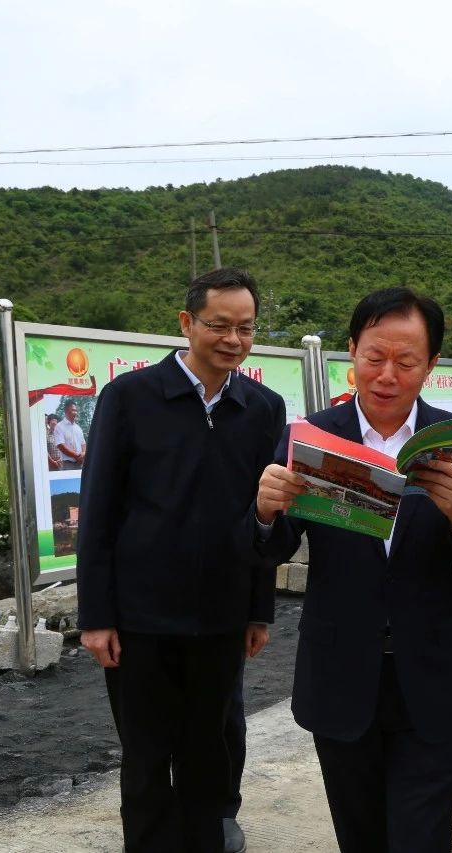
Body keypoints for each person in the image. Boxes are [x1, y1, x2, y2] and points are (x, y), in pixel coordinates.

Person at [253, 287, 452, 852]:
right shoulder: (310, 438)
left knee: (422, 839)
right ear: (352, 351)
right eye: (374, 357)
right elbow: (269, 551)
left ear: (432, 365)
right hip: (340, 674)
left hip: (430, 678)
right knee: (359, 836)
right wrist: (264, 512)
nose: (387, 375)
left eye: (406, 362)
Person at [77, 267, 286, 853]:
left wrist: (259, 610)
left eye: (245, 328)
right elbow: (98, 511)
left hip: (221, 616)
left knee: (208, 754)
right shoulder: (130, 397)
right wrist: (96, 617)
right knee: (145, 758)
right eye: (219, 325)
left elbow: (266, 515)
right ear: (186, 323)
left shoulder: (262, 408)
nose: (233, 340)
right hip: (139, 618)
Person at [53, 401, 86, 470]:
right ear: (66, 411)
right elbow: (61, 446)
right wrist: (77, 456)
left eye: (76, 410)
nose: (76, 413)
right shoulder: (59, 427)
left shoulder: (78, 428)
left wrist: (83, 454)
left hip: (80, 463)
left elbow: (83, 444)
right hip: (67, 464)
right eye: (73, 410)